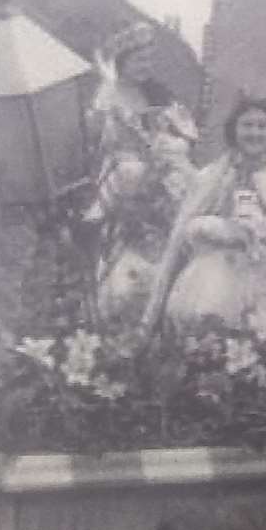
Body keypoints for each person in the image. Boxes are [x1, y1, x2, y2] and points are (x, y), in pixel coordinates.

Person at [141, 97, 266, 335]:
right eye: (247, 125)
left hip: (263, 281)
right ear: (234, 129)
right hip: (204, 279)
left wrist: (258, 231)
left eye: (262, 126)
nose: (254, 133)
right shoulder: (211, 176)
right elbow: (182, 233)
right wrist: (214, 228)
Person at [87, 22, 199, 316]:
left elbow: (185, 130)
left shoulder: (157, 92)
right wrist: (117, 125)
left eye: (149, 60)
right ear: (122, 62)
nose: (144, 66)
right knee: (132, 173)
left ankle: (182, 255)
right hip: (123, 161)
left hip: (161, 158)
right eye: (138, 60)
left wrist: (170, 139)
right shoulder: (108, 94)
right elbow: (98, 139)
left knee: (187, 181)